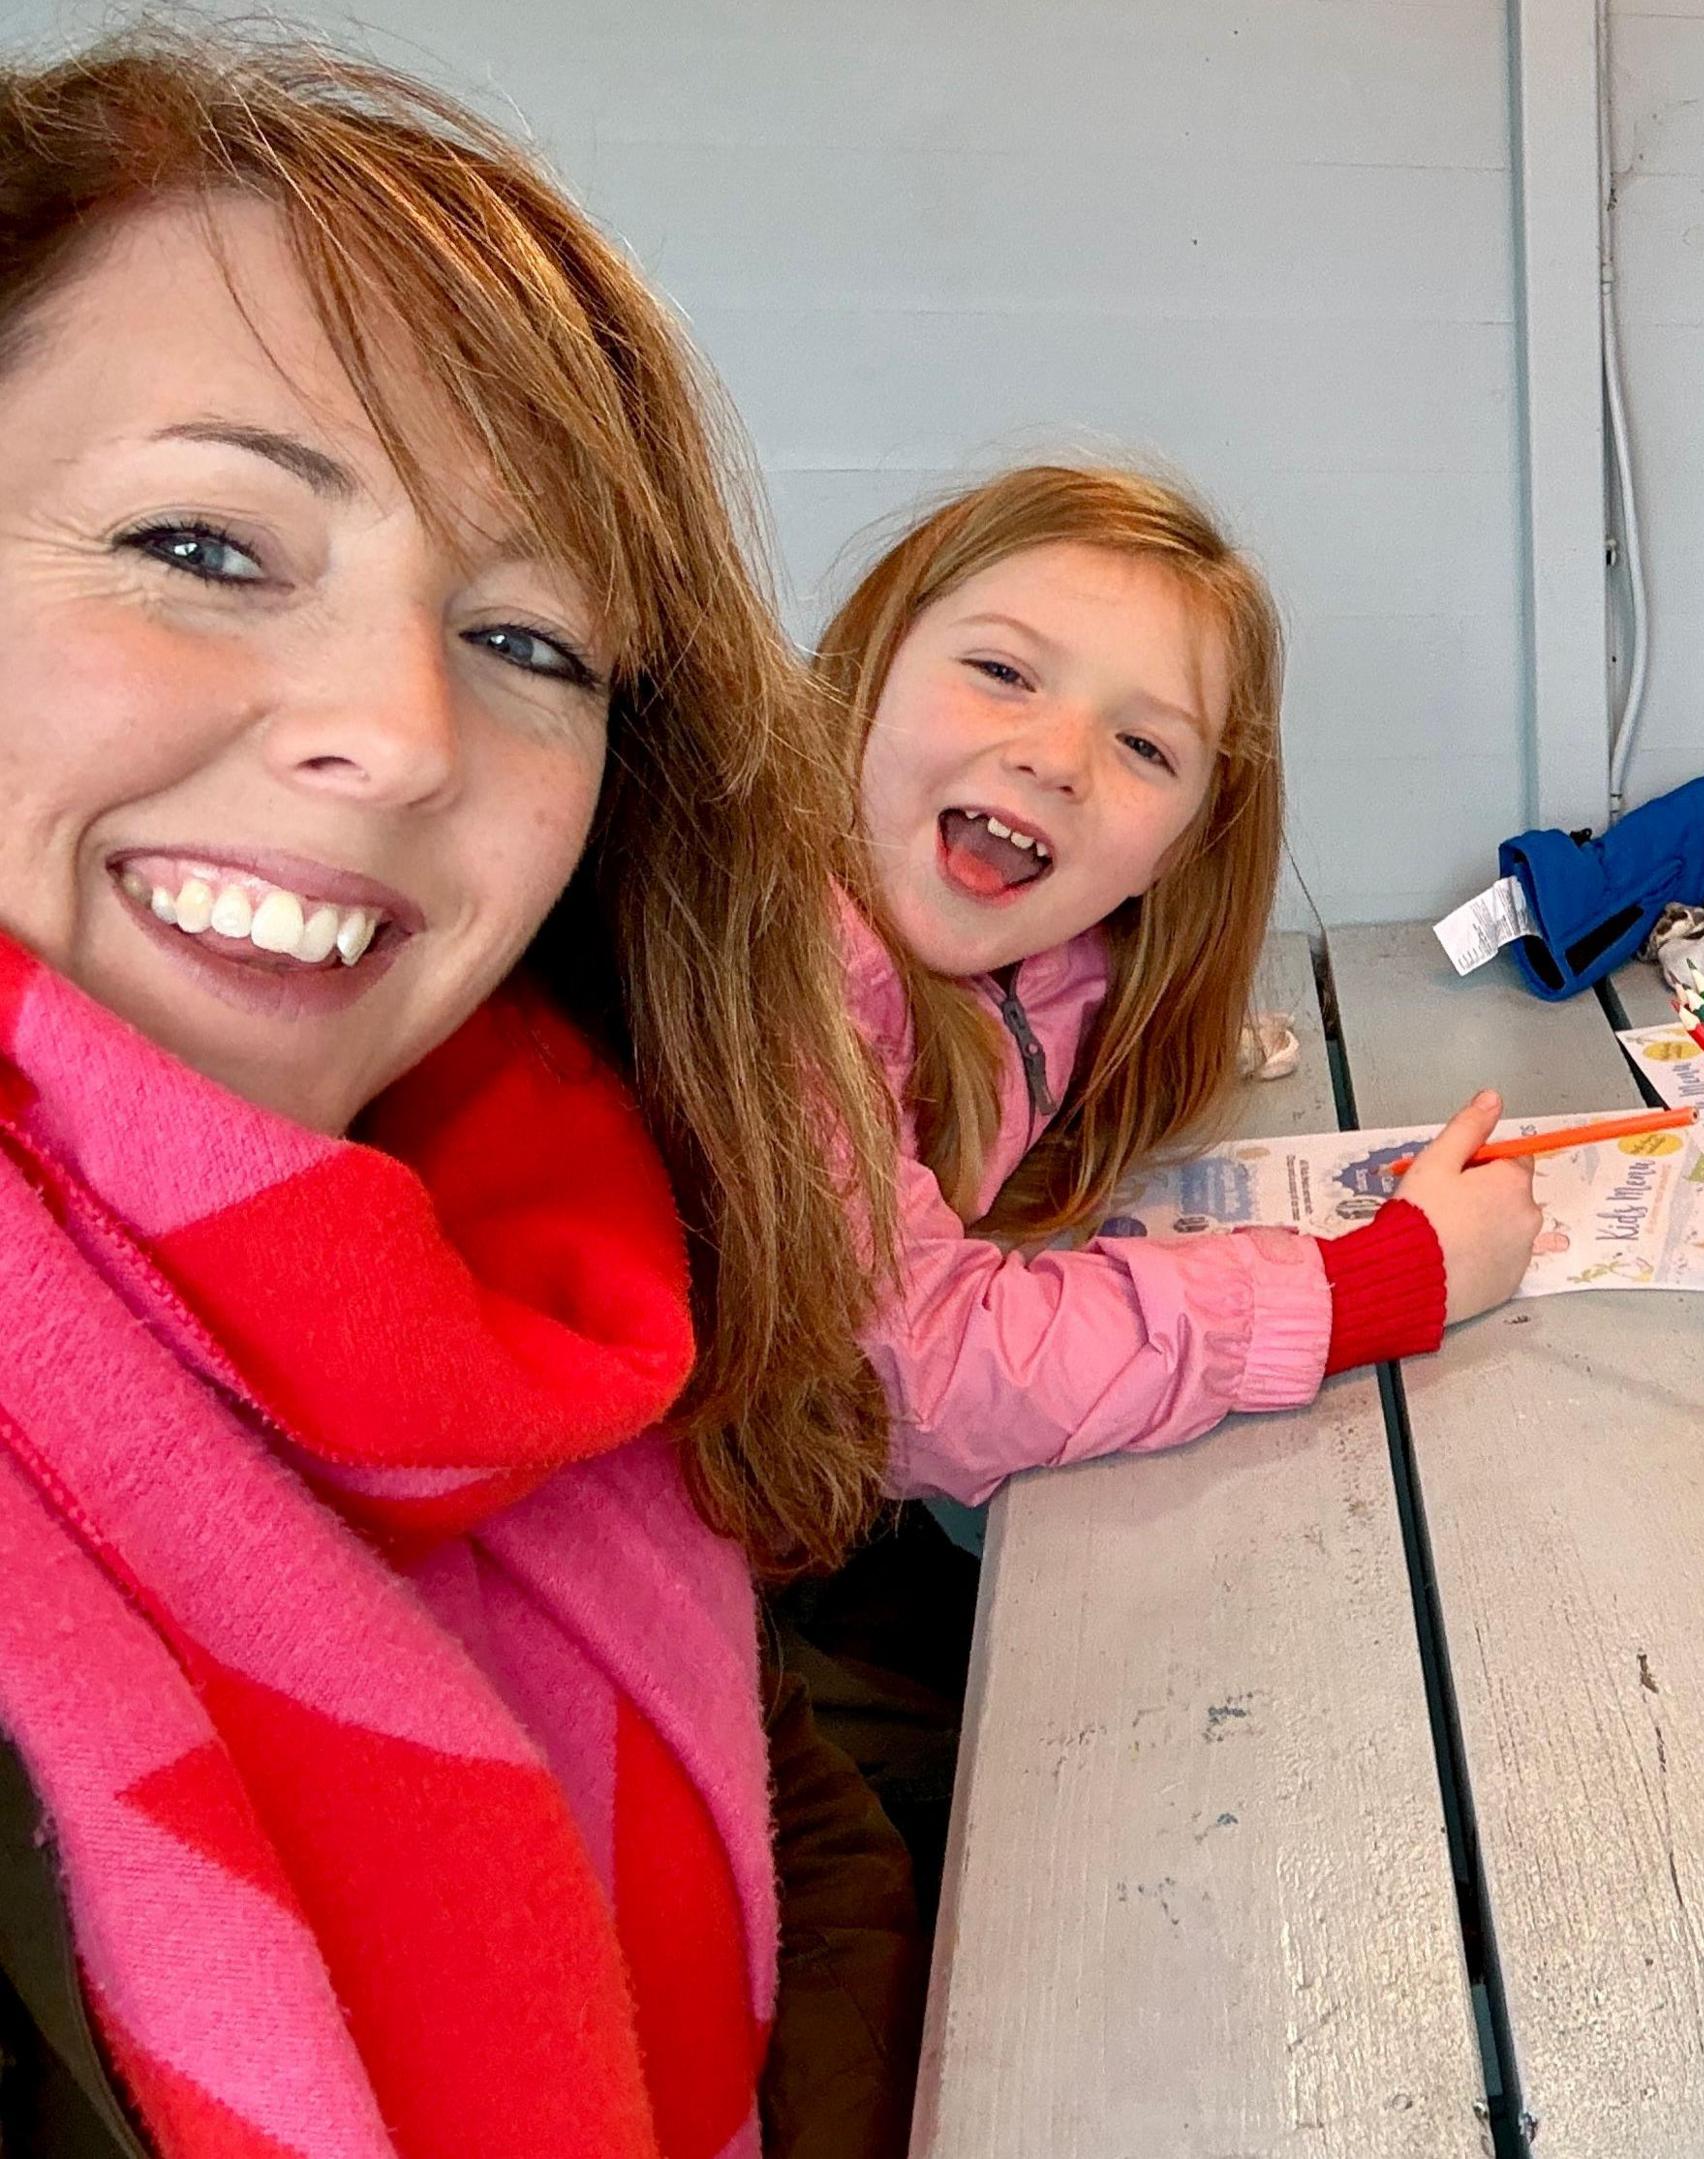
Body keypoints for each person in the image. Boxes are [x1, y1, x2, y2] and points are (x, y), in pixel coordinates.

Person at [0, 34, 914, 2157]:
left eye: (530, 644)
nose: (406, 733)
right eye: (207, 545)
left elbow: (793, 1807)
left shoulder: (569, 1277)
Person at [774, 466, 1544, 1898]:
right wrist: (1386, 1276)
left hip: (807, 1552)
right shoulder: (791, 961)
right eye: (1003, 670)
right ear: (869, 661)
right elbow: (918, 1375)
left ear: (1185, 838)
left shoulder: (986, 948)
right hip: (694, 1636)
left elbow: (1032, 1013)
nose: (1058, 756)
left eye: (1145, 747)